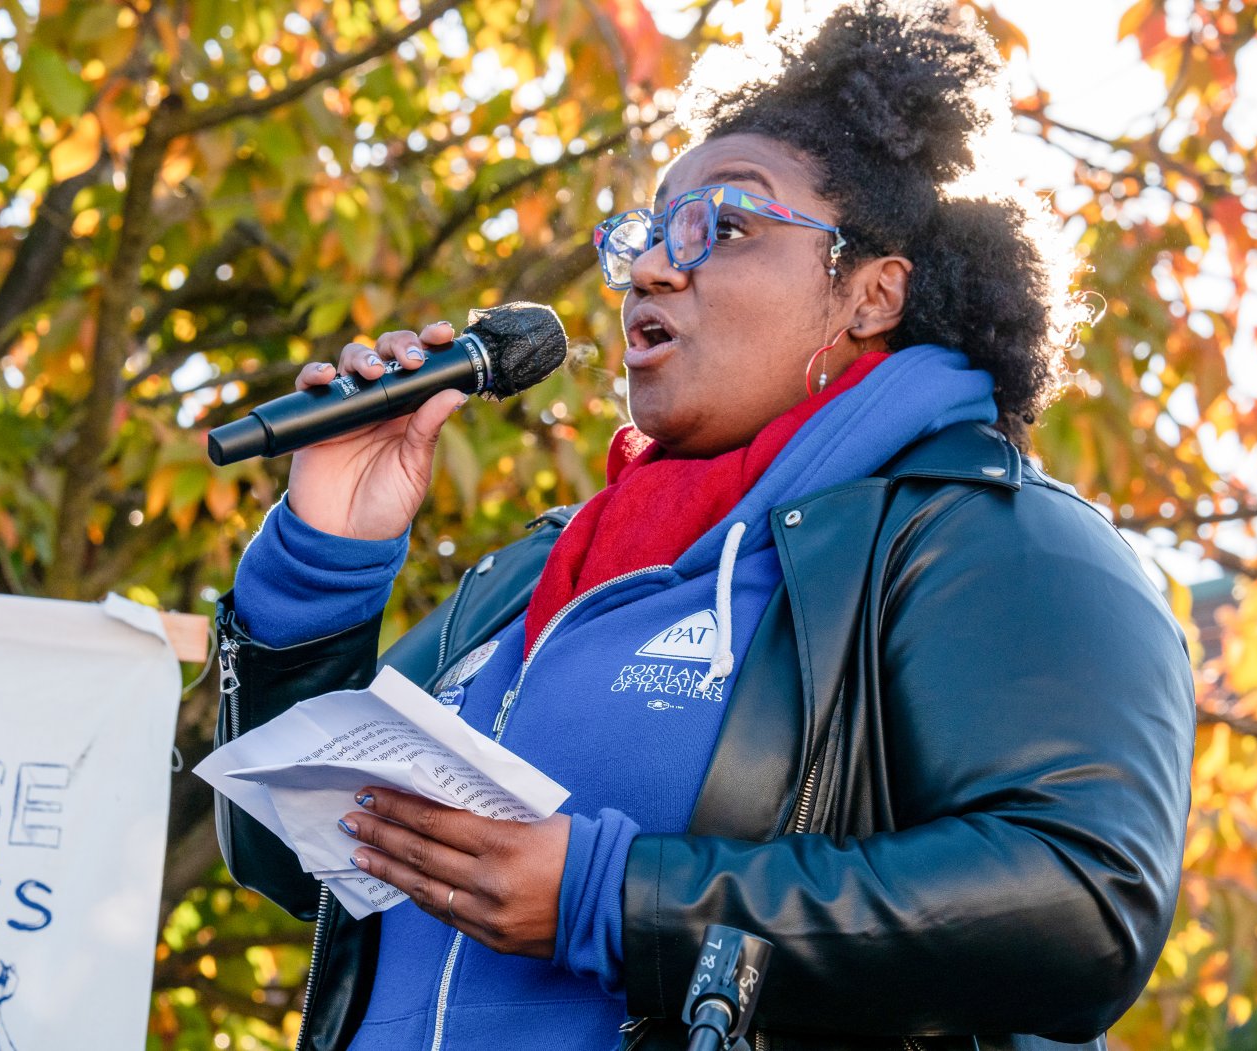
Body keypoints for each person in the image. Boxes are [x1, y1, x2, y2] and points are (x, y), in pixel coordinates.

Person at [212, 3, 1196, 1049]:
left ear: (870, 291)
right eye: (641, 233)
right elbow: (288, 850)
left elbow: (1080, 900)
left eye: (721, 225)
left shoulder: (991, 537)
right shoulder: (539, 574)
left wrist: (619, 900)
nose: (649, 266)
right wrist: (325, 556)